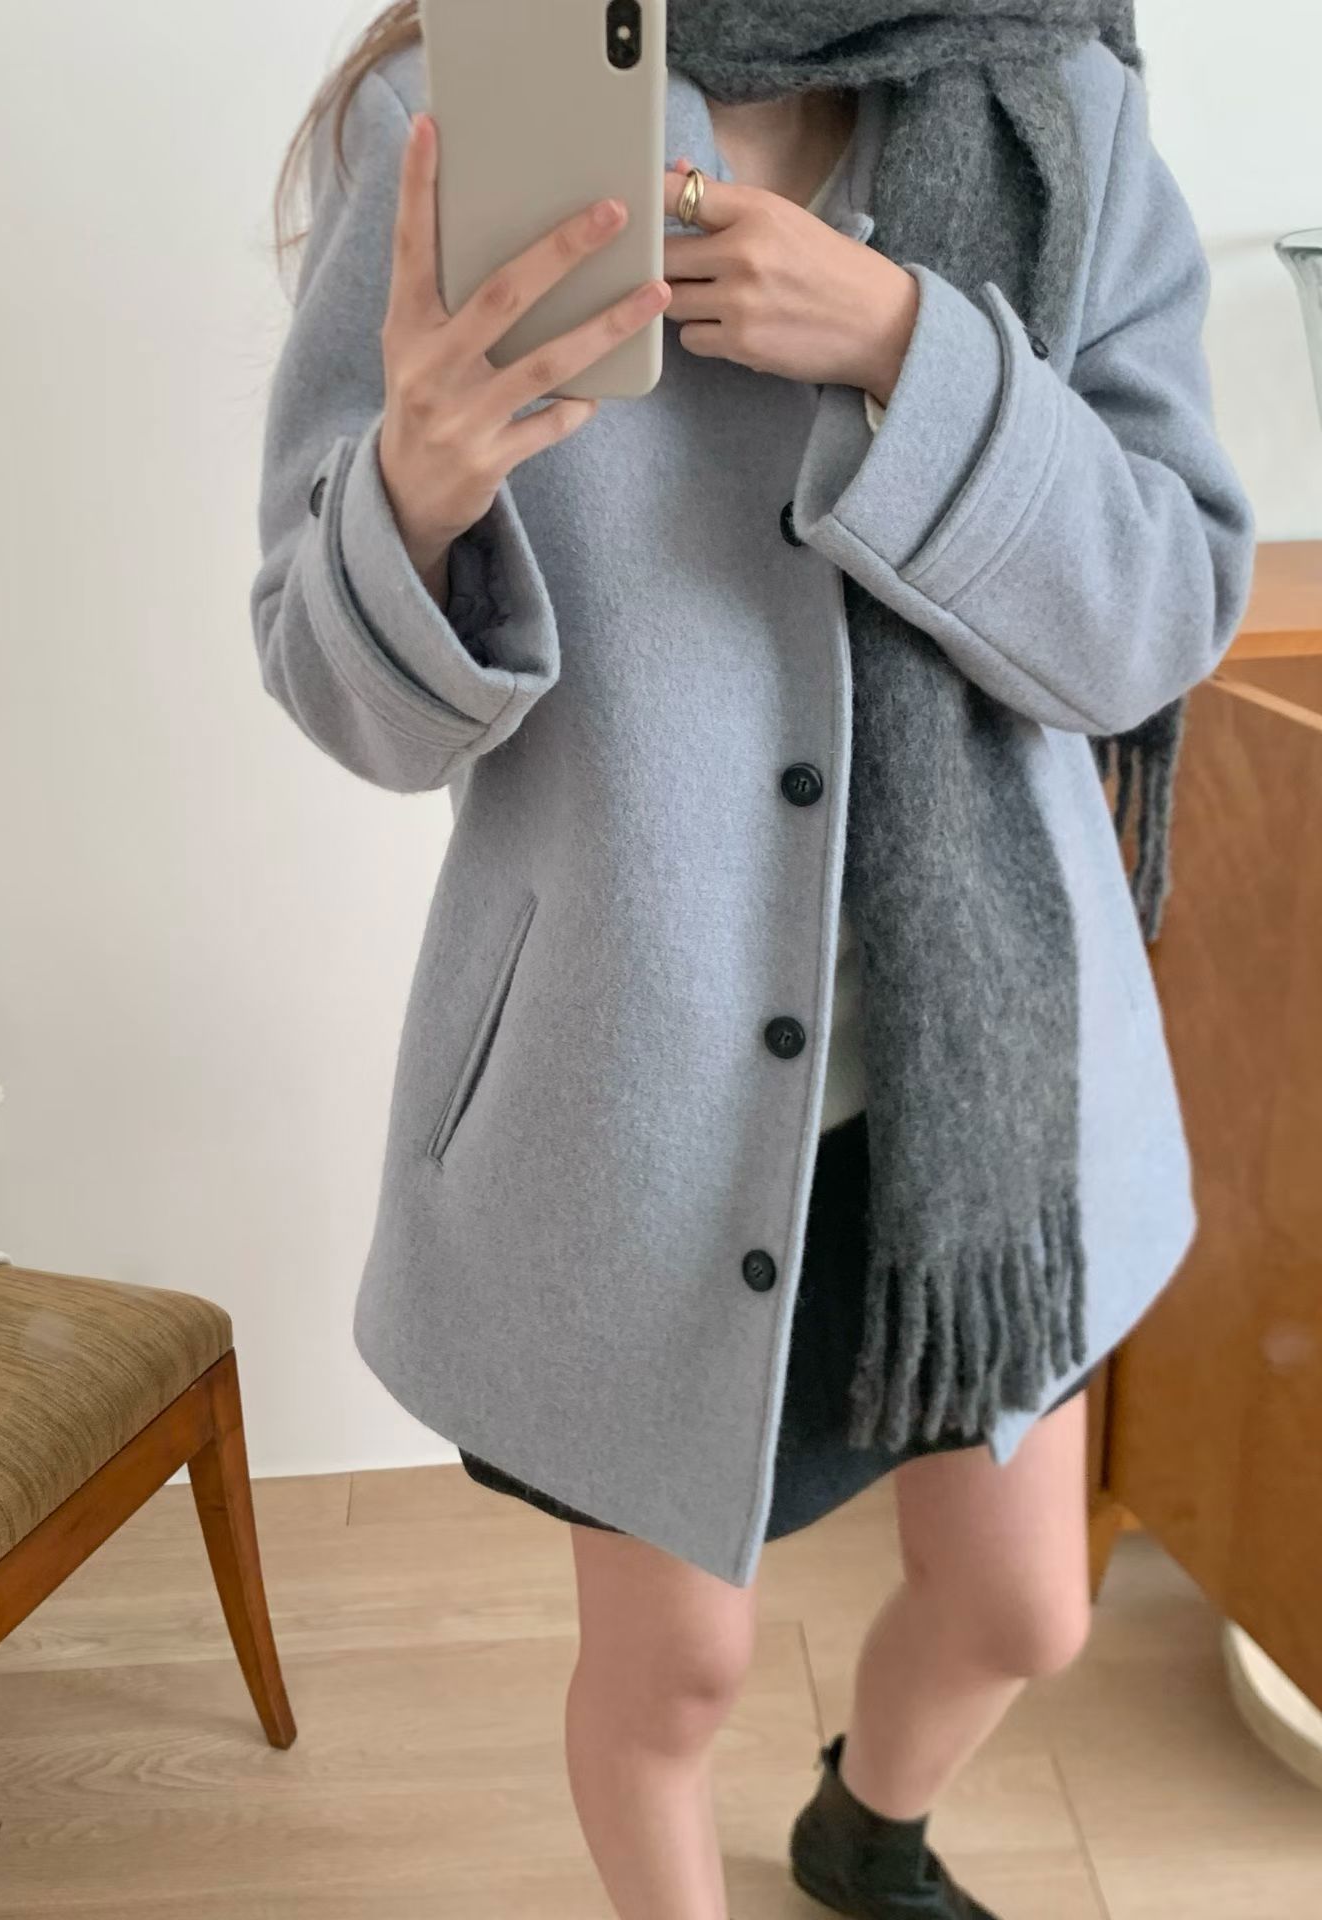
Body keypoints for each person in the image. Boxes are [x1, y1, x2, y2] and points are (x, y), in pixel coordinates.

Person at [252, 4, 1256, 1916]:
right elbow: (337, 689)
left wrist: (910, 351)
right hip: (636, 1094)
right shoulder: (452, 102)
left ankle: (864, 1830)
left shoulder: (1057, 103)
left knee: (1027, 1610)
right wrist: (414, 494)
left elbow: (1163, 608)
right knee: (675, 1676)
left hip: (984, 1089)